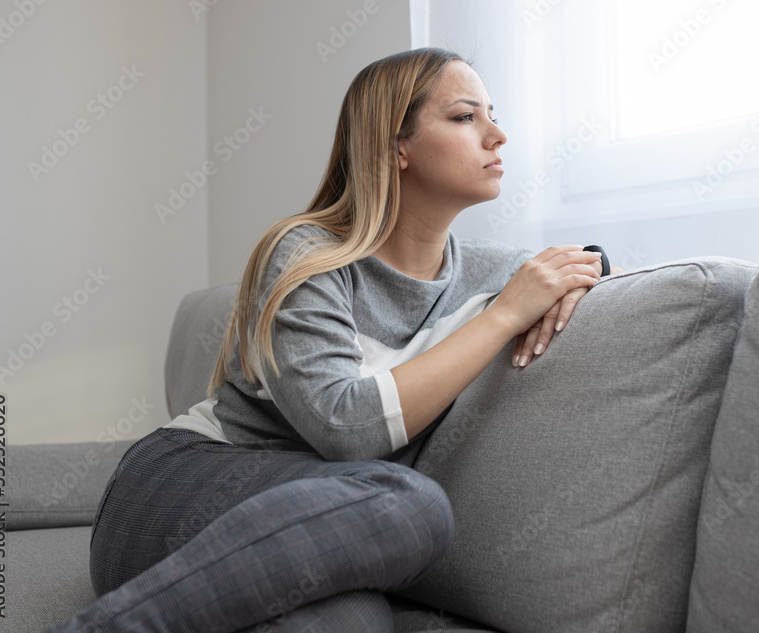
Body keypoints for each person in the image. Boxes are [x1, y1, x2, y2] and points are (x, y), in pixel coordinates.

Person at [45, 47, 604, 633]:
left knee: (352, 622)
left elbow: (588, 262)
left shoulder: (492, 273)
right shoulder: (307, 256)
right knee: (411, 506)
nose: (498, 135)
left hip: (314, 533)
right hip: (177, 491)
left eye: (492, 113)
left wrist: (586, 269)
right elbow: (347, 428)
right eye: (466, 117)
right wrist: (504, 318)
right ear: (397, 146)